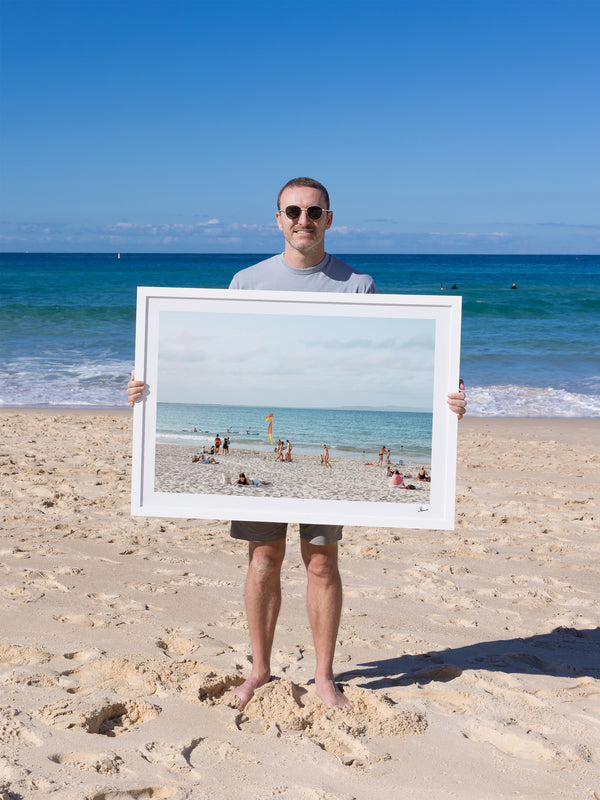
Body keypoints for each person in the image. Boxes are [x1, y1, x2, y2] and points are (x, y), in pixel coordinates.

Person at [127, 176, 467, 712]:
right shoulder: (246, 282)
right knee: (263, 557)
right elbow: (217, 353)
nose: (302, 220)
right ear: (278, 218)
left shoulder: (358, 285)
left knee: (321, 563)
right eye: (293, 211)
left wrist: (445, 401)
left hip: (323, 449)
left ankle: (324, 676)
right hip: (263, 431)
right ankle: (260, 670)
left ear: (330, 218)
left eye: (314, 211)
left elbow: (389, 358)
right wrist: (148, 386)